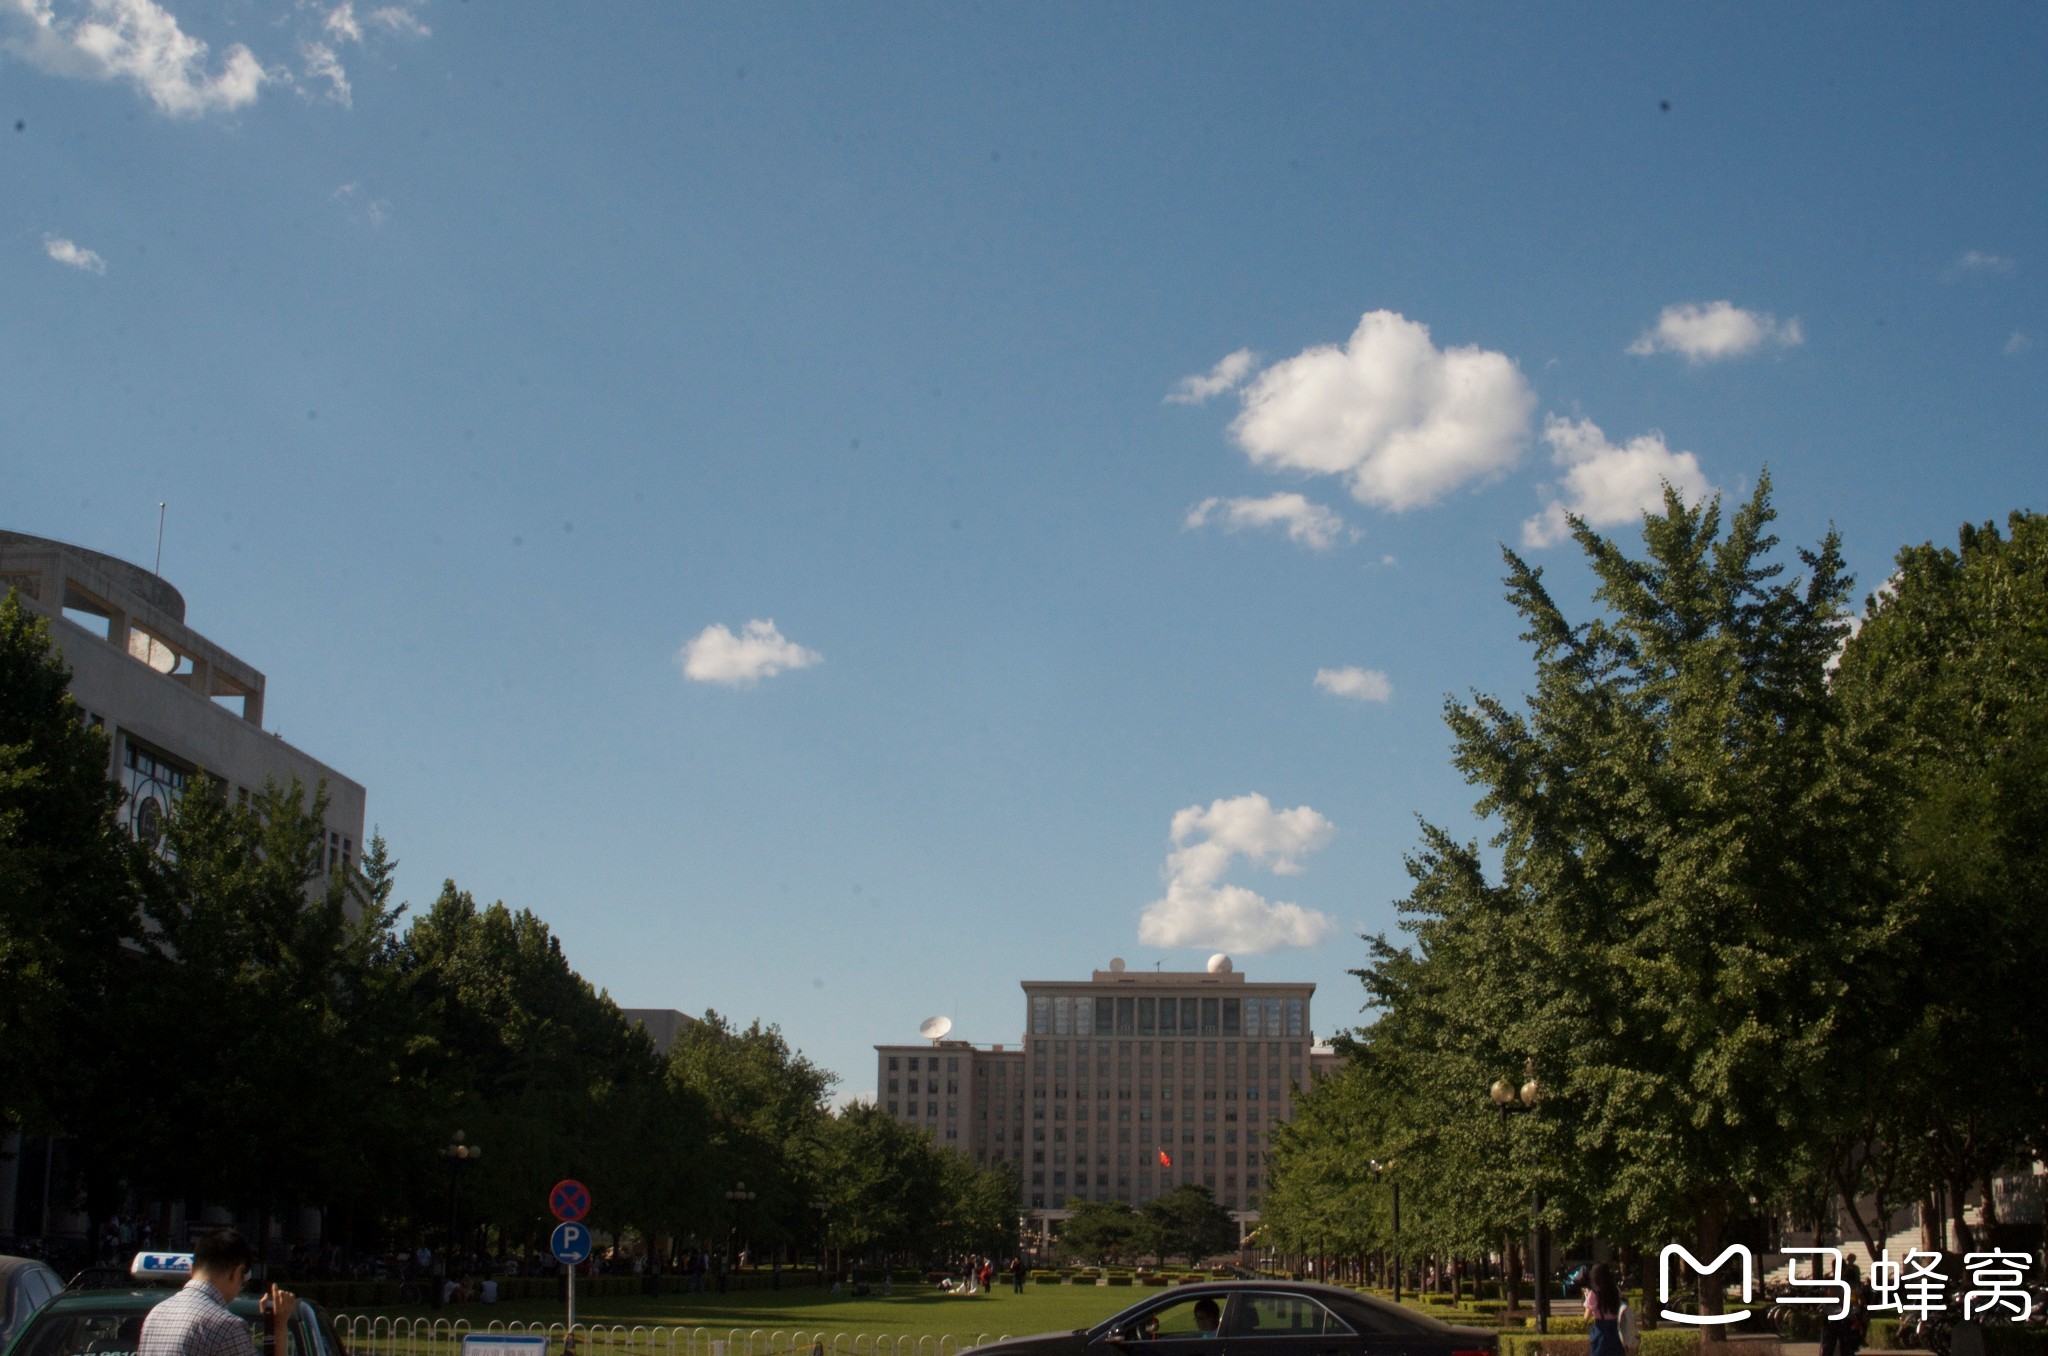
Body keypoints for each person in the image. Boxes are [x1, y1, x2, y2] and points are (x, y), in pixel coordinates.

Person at [138, 1229, 296, 1356]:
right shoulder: (227, 1326)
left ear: (192, 1269)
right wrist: (279, 1326)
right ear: (236, 1273)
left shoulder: (156, 1314)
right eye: (242, 1281)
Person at [1582, 1263, 1636, 1356]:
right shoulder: (1615, 1290)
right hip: (1616, 1330)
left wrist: (1587, 1295)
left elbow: (1586, 1317)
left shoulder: (1594, 1293)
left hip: (1600, 1330)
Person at [1820, 1260, 1867, 1356]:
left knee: (1843, 1347)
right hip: (1833, 1319)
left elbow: (1856, 1301)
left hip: (1845, 1319)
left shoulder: (1850, 1285)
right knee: (1830, 1348)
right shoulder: (1829, 1284)